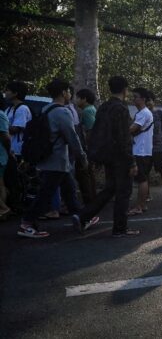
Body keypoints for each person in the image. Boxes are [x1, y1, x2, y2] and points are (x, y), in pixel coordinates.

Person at [17, 79, 91, 238]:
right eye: (69, 92)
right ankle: (27, 223)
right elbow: (72, 137)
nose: (70, 94)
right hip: (56, 161)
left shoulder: (46, 109)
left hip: (52, 160)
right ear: (64, 93)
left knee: (69, 191)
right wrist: (82, 157)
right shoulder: (62, 112)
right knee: (45, 195)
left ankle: (81, 218)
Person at [76, 76, 139, 237]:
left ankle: (83, 215)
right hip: (120, 157)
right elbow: (124, 137)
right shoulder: (121, 108)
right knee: (123, 192)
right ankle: (120, 228)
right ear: (125, 89)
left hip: (107, 156)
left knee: (109, 189)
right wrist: (131, 162)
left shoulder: (104, 107)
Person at [127, 88, 154, 216]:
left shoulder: (144, 113)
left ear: (143, 99)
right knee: (142, 179)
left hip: (141, 151)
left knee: (142, 179)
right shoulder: (142, 113)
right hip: (142, 150)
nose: (134, 99)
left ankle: (139, 206)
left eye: (136, 97)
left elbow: (132, 129)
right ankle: (142, 205)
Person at [74, 88, 97, 204]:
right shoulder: (91, 109)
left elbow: (90, 130)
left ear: (84, 99)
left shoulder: (87, 111)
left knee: (86, 173)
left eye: (77, 98)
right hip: (92, 147)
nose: (76, 100)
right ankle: (93, 197)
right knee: (90, 173)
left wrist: (87, 147)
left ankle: (90, 199)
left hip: (89, 147)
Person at [4, 81, 32, 162]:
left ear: (15, 93)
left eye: (7, 90)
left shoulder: (22, 109)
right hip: (8, 149)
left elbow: (16, 129)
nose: (5, 92)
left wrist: (2, 126)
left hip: (16, 150)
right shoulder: (9, 108)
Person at [0, 106, 11, 220]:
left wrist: (8, 151)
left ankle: (4, 208)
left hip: (1, 155)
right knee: (1, 185)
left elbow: (6, 137)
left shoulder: (0, 115)